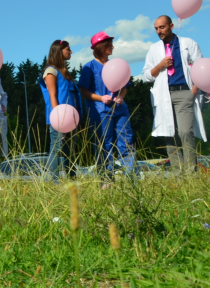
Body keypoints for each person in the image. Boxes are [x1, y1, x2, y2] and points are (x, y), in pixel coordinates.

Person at [142, 16, 206, 172]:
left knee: (185, 131)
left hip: (185, 92)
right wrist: (160, 65)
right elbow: (146, 75)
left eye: (162, 27)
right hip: (164, 94)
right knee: (169, 134)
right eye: (156, 28)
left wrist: (194, 91)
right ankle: (178, 173)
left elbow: (201, 67)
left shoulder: (188, 43)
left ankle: (191, 172)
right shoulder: (154, 48)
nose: (159, 31)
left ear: (171, 25)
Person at [79, 31, 134, 184]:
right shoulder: (89, 67)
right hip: (100, 112)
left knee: (126, 142)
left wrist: (121, 96)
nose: (113, 47)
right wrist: (100, 97)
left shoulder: (115, 65)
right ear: (101, 47)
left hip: (120, 110)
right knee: (104, 145)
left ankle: (132, 180)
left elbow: (124, 86)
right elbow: (83, 91)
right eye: (110, 45)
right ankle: (106, 181)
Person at [39, 40, 84, 179]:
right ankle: (54, 181)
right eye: (68, 49)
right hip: (59, 119)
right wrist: (59, 118)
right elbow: (52, 95)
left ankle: (72, 179)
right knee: (56, 149)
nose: (71, 52)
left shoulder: (65, 73)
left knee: (70, 151)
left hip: (71, 118)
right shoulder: (50, 71)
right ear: (59, 51)